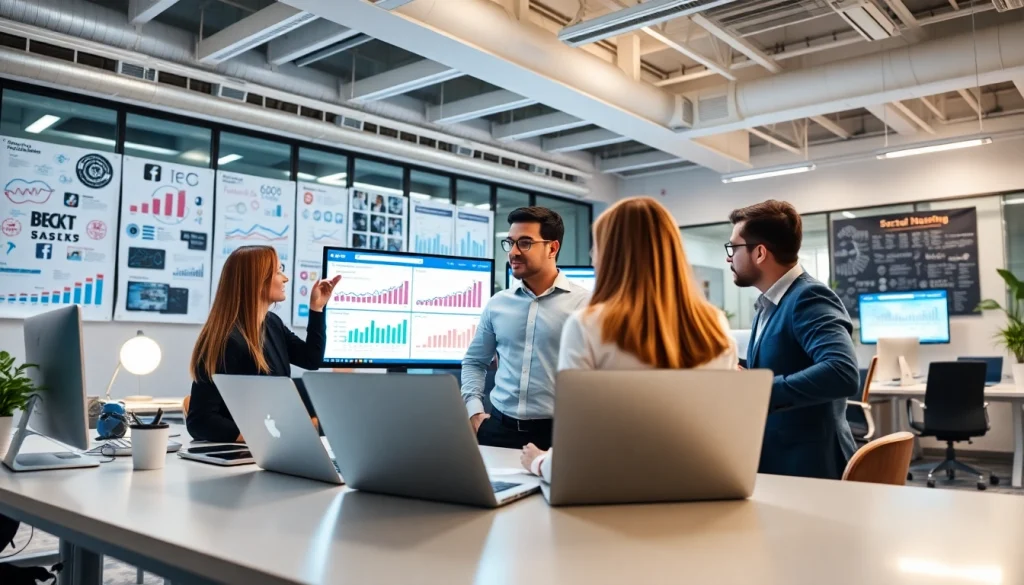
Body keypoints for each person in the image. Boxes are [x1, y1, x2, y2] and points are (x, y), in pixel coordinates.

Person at [520, 197, 737, 479]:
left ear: (610, 254)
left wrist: (538, 462)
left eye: (596, 246)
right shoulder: (715, 324)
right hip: (697, 486)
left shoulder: (588, 325)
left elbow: (575, 453)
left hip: (615, 491)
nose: (591, 255)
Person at [726, 200, 859, 480]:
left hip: (809, 466)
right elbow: (781, 362)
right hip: (781, 459)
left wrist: (759, 389)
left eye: (733, 248)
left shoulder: (807, 297)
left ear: (760, 252)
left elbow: (841, 372)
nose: (729, 258)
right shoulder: (770, 303)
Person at [461, 207, 589, 450]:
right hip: (497, 431)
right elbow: (474, 362)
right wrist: (474, 413)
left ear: (552, 248)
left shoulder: (586, 306)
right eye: (510, 243)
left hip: (558, 436)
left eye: (525, 243)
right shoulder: (498, 303)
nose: (513, 252)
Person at [186, 246, 341, 442]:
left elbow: (311, 360)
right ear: (257, 281)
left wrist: (316, 308)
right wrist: (260, 438)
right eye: (278, 271)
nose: (285, 278)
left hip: (272, 445)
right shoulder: (227, 341)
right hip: (245, 452)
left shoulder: (272, 323)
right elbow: (200, 422)